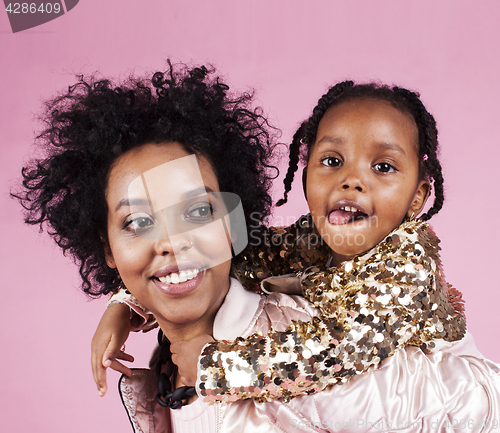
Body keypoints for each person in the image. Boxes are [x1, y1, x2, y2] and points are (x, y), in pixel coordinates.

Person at [91, 80, 500, 431]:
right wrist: (127, 302)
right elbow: (241, 255)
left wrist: (218, 367)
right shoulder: (318, 237)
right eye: (332, 161)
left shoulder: (404, 263)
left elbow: (336, 351)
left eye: (384, 166)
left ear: (419, 196)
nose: (352, 181)